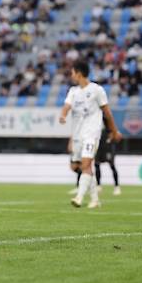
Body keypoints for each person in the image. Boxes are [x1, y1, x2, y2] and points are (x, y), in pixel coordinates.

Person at [59, 61, 122, 208]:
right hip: (77, 135)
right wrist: (63, 115)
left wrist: (114, 131)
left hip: (92, 134)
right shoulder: (73, 91)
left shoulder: (97, 90)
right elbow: (66, 106)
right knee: (76, 167)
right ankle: (95, 199)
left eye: (73, 72)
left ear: (79, 73)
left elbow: (107, 113)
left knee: (86, 164)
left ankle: (79, 198)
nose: (72, 75)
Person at [94, 117, 121, 196]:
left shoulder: (109, 125)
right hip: (99, 148)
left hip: (108, 149)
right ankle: (98, 185)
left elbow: (118, 136)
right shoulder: (96, 125)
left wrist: (114, 135)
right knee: (97, 165)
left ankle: (117, 187)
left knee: (112, 166)